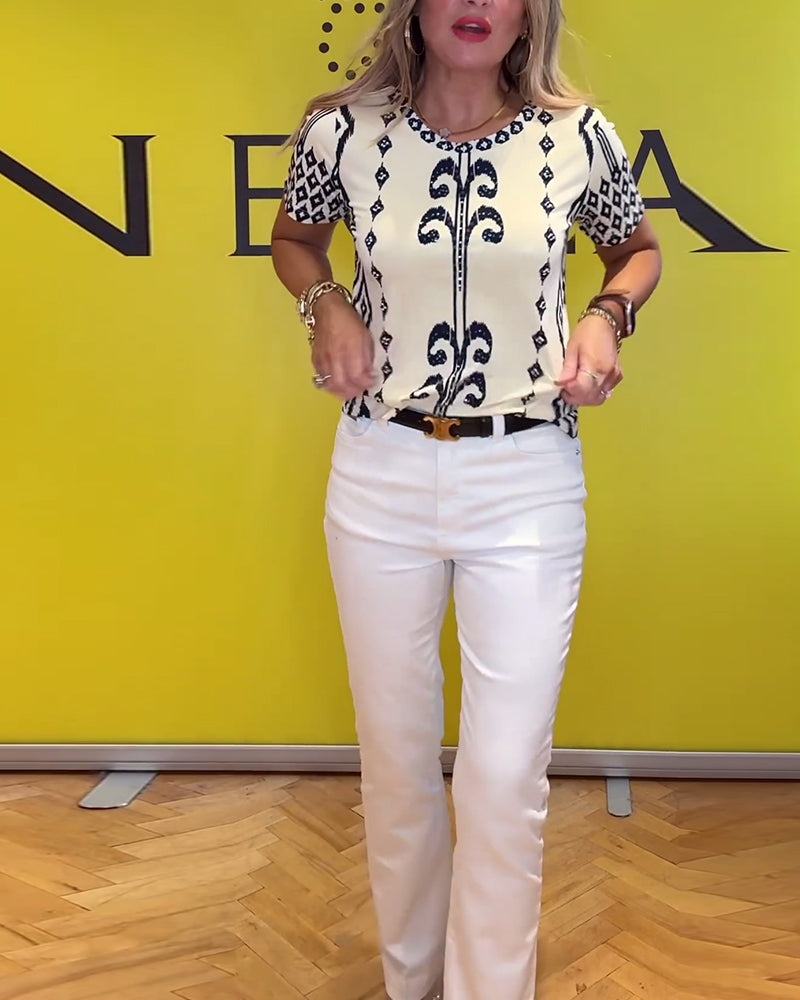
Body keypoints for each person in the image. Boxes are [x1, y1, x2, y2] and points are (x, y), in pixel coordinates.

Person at [271, 1, 662, 997]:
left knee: (503, 771)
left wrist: (607, 315)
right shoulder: (340, 131)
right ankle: (413, 982)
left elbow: (636, 250)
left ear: (530, 14)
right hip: (380, 472)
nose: (476, 3)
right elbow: (295, 241)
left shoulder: (577, 137)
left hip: (526, 477)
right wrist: (324, 305)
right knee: (396, 759)